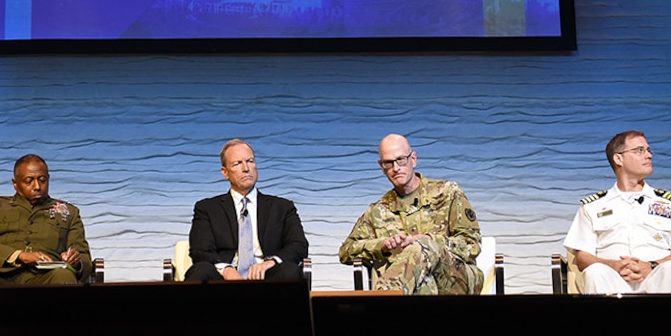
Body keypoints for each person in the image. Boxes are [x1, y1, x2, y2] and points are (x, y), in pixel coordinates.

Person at [339, 134, 483, 295]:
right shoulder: (378, 211)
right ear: (381, 166)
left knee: (420, 246)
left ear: (413, 159)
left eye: (401, 160)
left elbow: (472, 244)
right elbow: (346, 252)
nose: (396, 168)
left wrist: (430, 242)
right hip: (415, 286)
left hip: (455, 280)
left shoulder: (448, 192)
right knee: (422, 282)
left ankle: (383, 300)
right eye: (388, 163)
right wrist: (382, 246)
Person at [563, 130, 671, 293]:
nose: (648, 155)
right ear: (618, 158)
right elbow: (583, 258)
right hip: (612, 279)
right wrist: (614, 265)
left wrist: (651, 266)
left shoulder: (670, 203)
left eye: (649, 150)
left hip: (657, 278)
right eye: (639, 150)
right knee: (595, 271)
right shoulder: (593, 207)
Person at [185, 139, 308, 281]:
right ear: (225, 172)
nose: (246, 168)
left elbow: (298, 245)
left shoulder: (282, 207)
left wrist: (271, 262)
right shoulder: (207, 209)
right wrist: (226, 269)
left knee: (289, 271)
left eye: (250, 161)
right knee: (200, 271)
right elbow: (200, 250)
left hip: (268, 275)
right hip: (223, 278)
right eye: (237, 163)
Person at [0, 154, 92, 286]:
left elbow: (84, 258)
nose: (37, 186)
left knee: (63, 275)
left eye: (42, 180)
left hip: (47, 277)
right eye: (29, 181)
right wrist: (19, 256)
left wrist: (76, 261)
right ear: (15, 183)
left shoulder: (69, 212)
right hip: (1, 275)